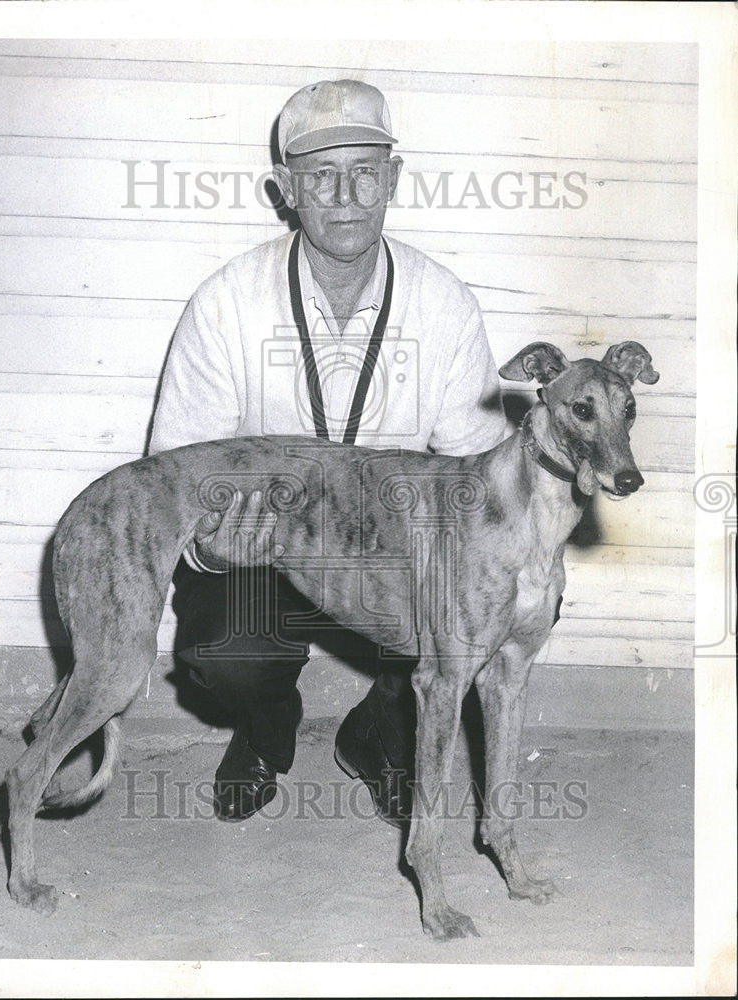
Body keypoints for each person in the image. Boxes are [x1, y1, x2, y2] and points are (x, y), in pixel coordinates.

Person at [149, 79, 509, 823]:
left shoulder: (444, 303)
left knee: (499, 586)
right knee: (227, 655)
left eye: (365, 171)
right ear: (285, 189)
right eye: (319, 175)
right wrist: (214, 553)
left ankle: (378, 730)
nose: (345, 195)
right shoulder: (224, 304)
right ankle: (264, 729)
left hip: (394, 556)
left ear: (394, 179)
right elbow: (170, 486)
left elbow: (483, 484)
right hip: (267, 554)